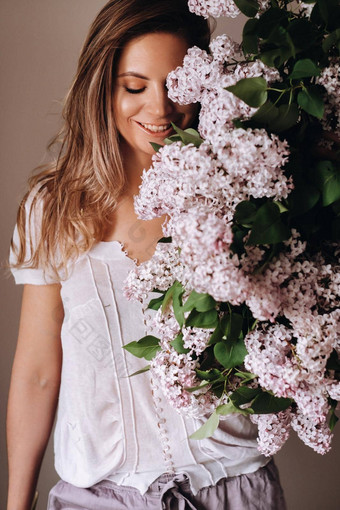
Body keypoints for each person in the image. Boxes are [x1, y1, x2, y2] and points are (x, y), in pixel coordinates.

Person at [6, 1, 287, 508]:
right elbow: (38, 370)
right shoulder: (53, 207)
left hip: (234, 489)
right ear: (103, 87)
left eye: (177, 86)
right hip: (96, 496)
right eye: (135, 87)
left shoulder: (241, 192)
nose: (160, 110)